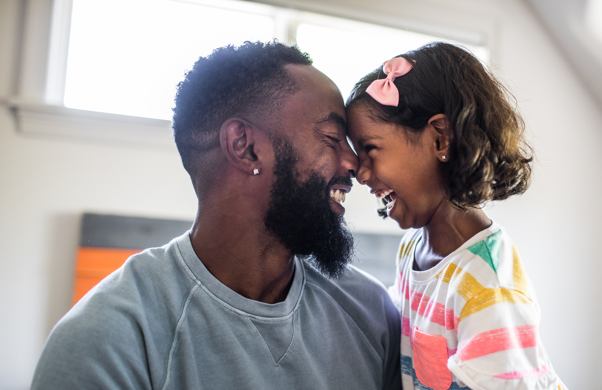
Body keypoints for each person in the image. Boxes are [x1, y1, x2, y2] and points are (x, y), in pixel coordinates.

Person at [31, 42, 401, 389]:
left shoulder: (371, 312)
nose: (355, 164)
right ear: (245, 147)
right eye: (333, 139)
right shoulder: (108, 339)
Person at [346, 42, 567, 390]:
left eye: (371, 149)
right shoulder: (412, 249)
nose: (360, 173)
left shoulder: (487, 287)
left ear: (441, 140)